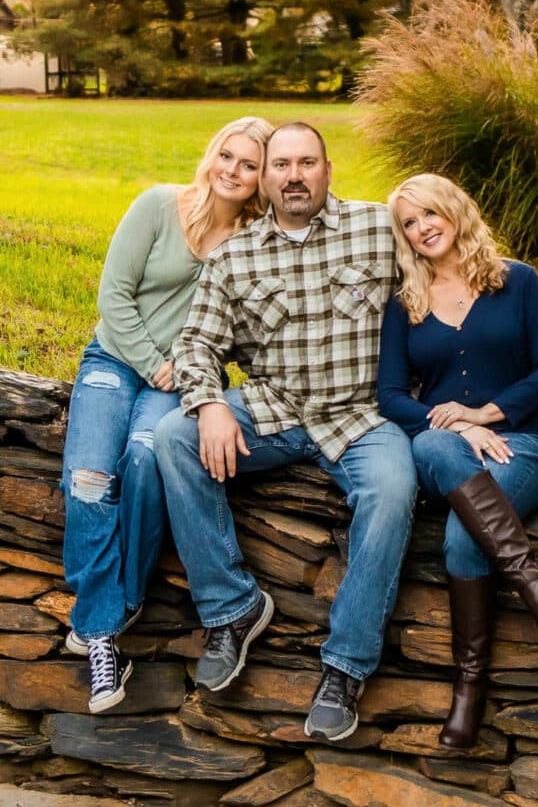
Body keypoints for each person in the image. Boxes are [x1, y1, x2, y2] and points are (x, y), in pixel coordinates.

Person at [153, 122, 417, 743]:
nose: (294, 176)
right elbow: (196, 345)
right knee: (174, 437)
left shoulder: (377, 229)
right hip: (271, 410)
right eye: (281, 166)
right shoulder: (234, 257)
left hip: (360, 417)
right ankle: (231, 608)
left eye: (307, 163)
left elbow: (448, 269)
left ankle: (345, 667)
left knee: (395, 489)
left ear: (328, 169)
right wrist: (210, 402)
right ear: (265, 179)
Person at [61, 116, 274, 715]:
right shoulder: (158, 205)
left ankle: (113, 608)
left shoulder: (252, 243)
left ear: (261, 178)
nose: (233, 170)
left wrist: (187, 369)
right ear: (212, 154)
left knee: (149, 455)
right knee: (89, 479)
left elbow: (239, 329)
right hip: (116, 358)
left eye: (249, 164)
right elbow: (113, 295)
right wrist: (157, 361)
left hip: (184, 378)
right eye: (227, 156)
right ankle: (104, 631)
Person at [377, 173, 538, 749]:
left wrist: (489, 412)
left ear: (456, 211)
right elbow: (390, 397)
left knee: (465, 541)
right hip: (449, 450)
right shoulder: (405, 302)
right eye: (409, 224)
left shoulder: (518, 282)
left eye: (429, 214)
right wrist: (459, 422)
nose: (422, 229)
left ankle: (469, 691)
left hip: (523, 447)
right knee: (432, 443)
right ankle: (533, 586)